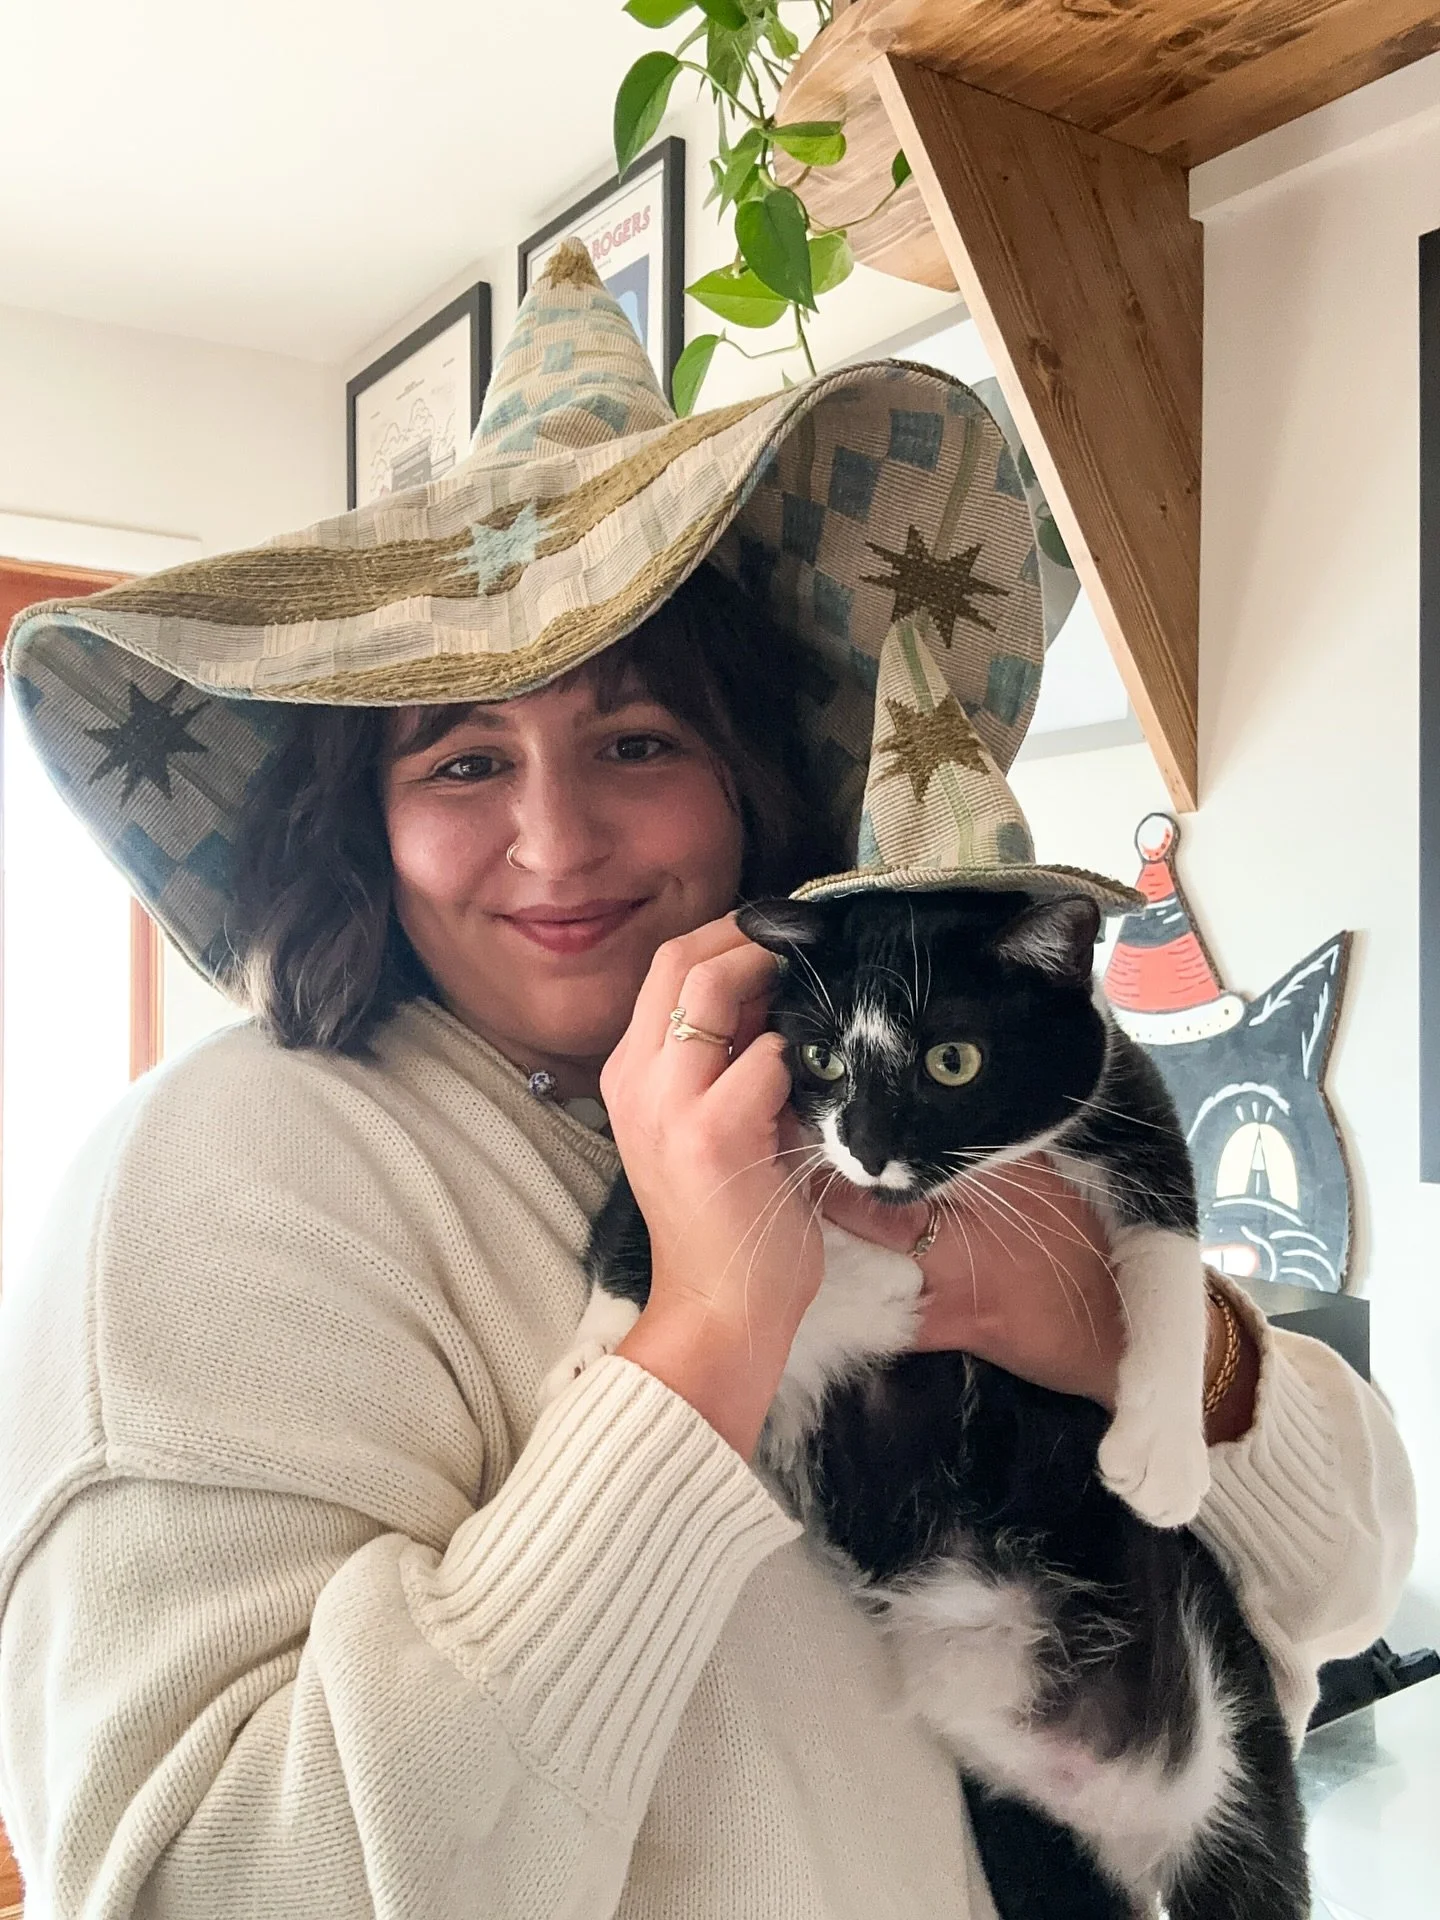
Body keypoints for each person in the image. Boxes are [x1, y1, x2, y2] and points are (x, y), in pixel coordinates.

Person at [0, 244, 1414, 1920]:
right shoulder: (222, 1176)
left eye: (638, 741)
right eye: (462, 759)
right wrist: (702, 1345)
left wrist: (1128, 1340)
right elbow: (202, 1888)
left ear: (752, 777)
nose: (556, 840)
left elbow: (1353, 1569)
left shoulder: (868, 1073)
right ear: (356, 821)